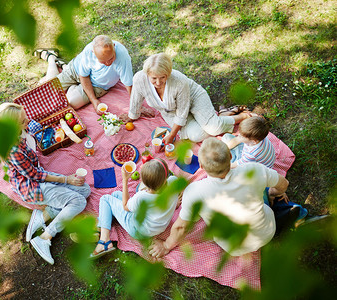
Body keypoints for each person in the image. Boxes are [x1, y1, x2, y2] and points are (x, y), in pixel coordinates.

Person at [149, 138, 290, 258]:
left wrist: (166, 245)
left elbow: (181, 227)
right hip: (266, 231)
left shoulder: (194, 192)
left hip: (234, 247)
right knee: (263, 193)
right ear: (230, 156)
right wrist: (272, 193)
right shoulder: (254, 169)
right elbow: (284, 184)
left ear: (201, 166)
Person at [0, 102, 91, 265]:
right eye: (23, 121)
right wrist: (66, 179)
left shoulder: (18, 134)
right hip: (31, 186)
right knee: (78, 201)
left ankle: (44, 214)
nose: (27, 122)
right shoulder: (13, 150)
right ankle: (45, 237)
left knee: (85, 189)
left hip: (38, 175)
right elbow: (35, 175)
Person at [120, 53, 256, 143]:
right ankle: (219, 117)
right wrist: (132, 116)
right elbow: (136, 100)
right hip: (171, 110)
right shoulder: (139, 79)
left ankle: (241, 117)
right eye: (153, 78)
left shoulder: (179, 81)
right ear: (147, 73)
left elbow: (182, 111)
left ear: (169, 73)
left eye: (163, 77)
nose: (158, 82)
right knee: (196, 136)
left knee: (213, 128)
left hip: (193, 97)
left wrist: (172, 135)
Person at [91, 159, 179, 258]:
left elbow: (125, 206)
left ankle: (104, 241)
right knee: (115, 195)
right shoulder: (174, 182)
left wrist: (125, 180)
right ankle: (103, 224)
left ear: (145, 183)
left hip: (138, 230)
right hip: (158, 227)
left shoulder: (142, 197)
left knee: (105, 199)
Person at [36, 35, 135, 115]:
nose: (108, 63)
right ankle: (51, 58)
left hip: (98, 84)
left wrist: (136, 106)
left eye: (111, 59)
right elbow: (83, 76)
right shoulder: (88, 51)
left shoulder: (122, 56)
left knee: (70, 102)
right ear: (93, 53)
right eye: (103, 62)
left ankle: (66, 75)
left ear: (113, 46)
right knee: (48, 90)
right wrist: (93, 100)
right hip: (76, 70)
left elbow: (128, 83)